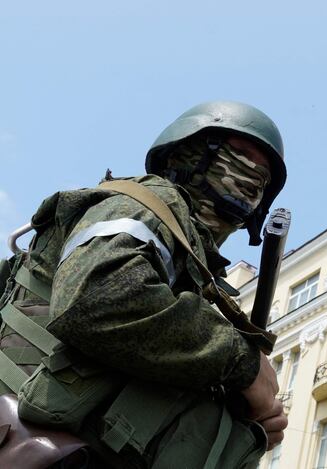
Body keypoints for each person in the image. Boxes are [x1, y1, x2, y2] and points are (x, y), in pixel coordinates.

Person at [0, 101, 289, 468]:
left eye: (262, 177)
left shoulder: (198, 276)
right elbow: (100, 298)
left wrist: (244, 415)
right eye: (238, 155)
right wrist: (242, 363)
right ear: (185, 153)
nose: (249, 178)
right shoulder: (146, 204)